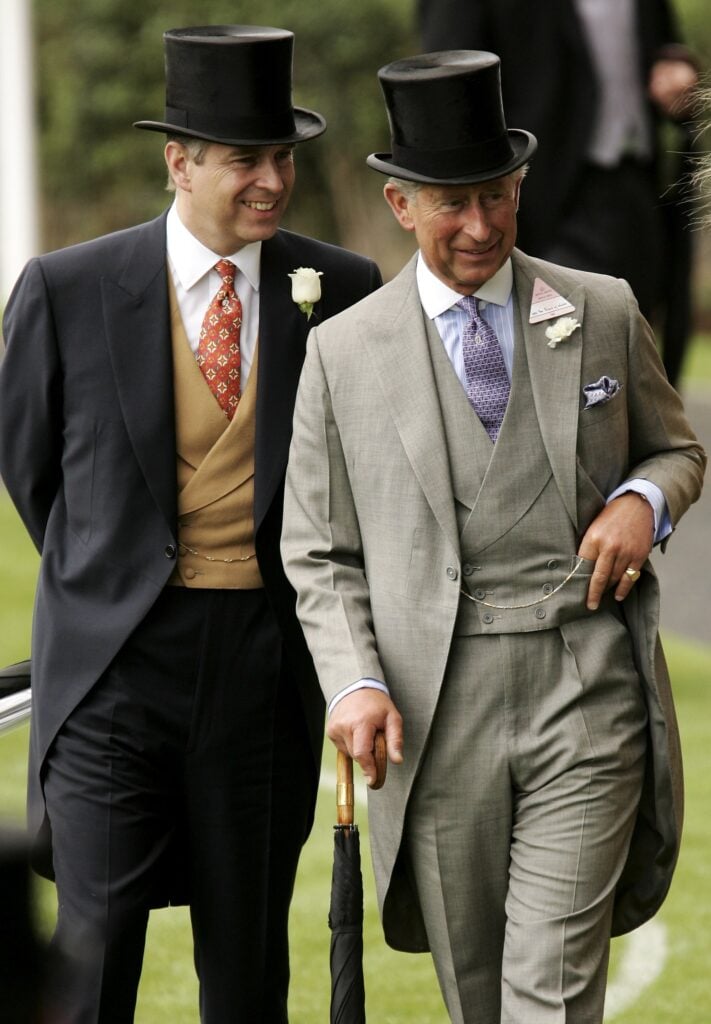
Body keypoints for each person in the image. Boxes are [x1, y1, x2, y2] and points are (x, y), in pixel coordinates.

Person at [281, 51, 705, 1023]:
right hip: (435, 719)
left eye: (496, 198)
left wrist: (645, 496)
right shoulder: (343, 353)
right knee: (480, 1000)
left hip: (585, 693)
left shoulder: (600, 309)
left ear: (520, 187)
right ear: (400, 204)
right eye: (452, 205)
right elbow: (318, 547)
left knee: (547, 995)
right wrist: (354, 680)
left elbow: (678, 448)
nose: (479, 227)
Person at [0, 24, 381, 1024]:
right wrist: (117, 574)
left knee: (249, 975)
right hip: (111, 677)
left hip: (261, 671)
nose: (271, 180)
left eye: (283, 158)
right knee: (89, 965)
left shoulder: (339, 290)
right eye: (245, 159)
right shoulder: (66, 289)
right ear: (179, 161)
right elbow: (32, 468)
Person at [417, 0, 700, 388]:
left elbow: (661, 41)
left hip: (637, 187)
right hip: (532, 199)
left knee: (636, 363)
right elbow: (445, 79)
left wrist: (674, 66)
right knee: (554, 366)